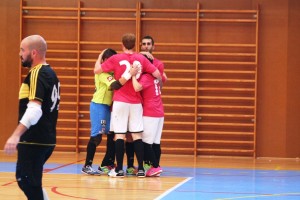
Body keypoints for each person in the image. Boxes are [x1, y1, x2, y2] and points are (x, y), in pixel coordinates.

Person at [94, 33, 162, 178]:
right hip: (136, 102)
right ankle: (142, 169)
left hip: (120, 101)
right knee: (137, 135)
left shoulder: (115, 58)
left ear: (122, 44)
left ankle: (119, 169)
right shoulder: (141, 59)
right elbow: (157, 73)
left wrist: (100, 57)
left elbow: (97, 70)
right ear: (135, 44)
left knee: (119, 134)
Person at [4, 35, 60, 200]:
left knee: (28, 181)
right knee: (28, 180)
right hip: (46, 138)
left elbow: (35, 110)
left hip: (35, 139)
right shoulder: (50, 73)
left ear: (33, 52)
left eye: (22, 50)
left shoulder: (37, 73)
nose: (20, 53)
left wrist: (16, 134)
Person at [81, 48, 138, 175]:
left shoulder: (112, 72)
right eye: (107, 61)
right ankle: (87, 165)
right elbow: (116, 85)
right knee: (96, 136)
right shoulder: (102, 73)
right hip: (99, 105)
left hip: (108, 106)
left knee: (112, 135)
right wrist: (129, 73)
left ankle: (107, 164)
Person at [136, 35, 167, 176]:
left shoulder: (146, 77)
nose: (146, 46)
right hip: (159, 111)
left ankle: (156, 166)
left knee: (145, 142)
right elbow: (163, 78)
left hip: (150, 111)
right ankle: (154, 168)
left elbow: (137, 88)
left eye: (149, 44)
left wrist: (131, 76)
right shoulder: (156, 75)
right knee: (155, 142)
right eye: (144, 44)